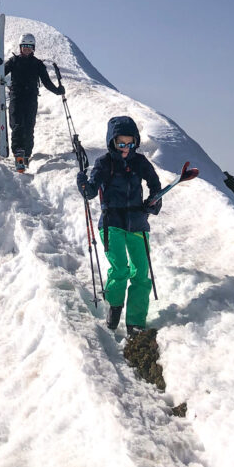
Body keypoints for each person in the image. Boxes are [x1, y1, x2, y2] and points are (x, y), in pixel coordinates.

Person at [76, 115, 162, 336]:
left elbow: (155, 184)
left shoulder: (140, 162)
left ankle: (135, 321)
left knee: (141, 272)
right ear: (112, 142)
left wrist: (154, 202)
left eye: (130, 143)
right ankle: (114, 306)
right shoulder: (104, 163)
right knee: (120, 268)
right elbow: (92, 190)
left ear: (136, 141)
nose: (125, 148)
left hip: (138, 222)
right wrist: (84, 185)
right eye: (120, 143)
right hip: (112, 222)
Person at [3, 33, 64, 171]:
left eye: (29, 47)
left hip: (31, 97)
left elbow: (46, 82)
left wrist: (57, 90)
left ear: (33, 48)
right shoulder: (13, 61)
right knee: (17, 124)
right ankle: (18, 152)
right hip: (16, 96)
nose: (27, 49)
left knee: (29, 125)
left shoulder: (38, 64)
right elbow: (0, 75)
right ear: (20, 47)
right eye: (24, 46)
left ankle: (27, 153)